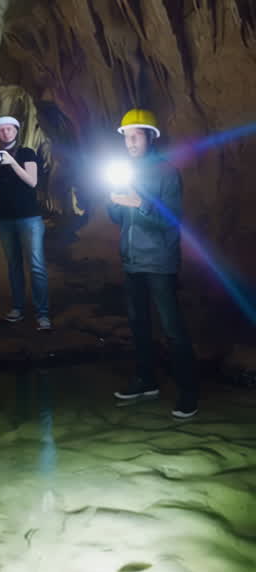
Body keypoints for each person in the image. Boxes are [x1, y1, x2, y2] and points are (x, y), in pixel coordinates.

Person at [108, 108, 198, 419]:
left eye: (136, 136)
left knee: (172, 328)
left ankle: (189, 392)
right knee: (138, 324)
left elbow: (172, 220)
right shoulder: (124, 170)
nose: (130, 142)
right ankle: (146, 380)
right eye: (127, 137)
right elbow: (118, 218)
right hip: (132, 259)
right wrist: (114, 201)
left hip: (159, 261)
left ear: (150, 137)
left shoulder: (166, 172)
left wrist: (141, 203)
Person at [0, 115, 50, 329]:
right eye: (1, 130)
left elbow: (32, 181)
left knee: (36, 265)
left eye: (9, 129)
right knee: (13, 265)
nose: (5, 133)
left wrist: (12, 162)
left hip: (29, 217)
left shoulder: (26, 153)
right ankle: (17, 308)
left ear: (16, 131)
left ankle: (42, 313)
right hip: (5, 218)